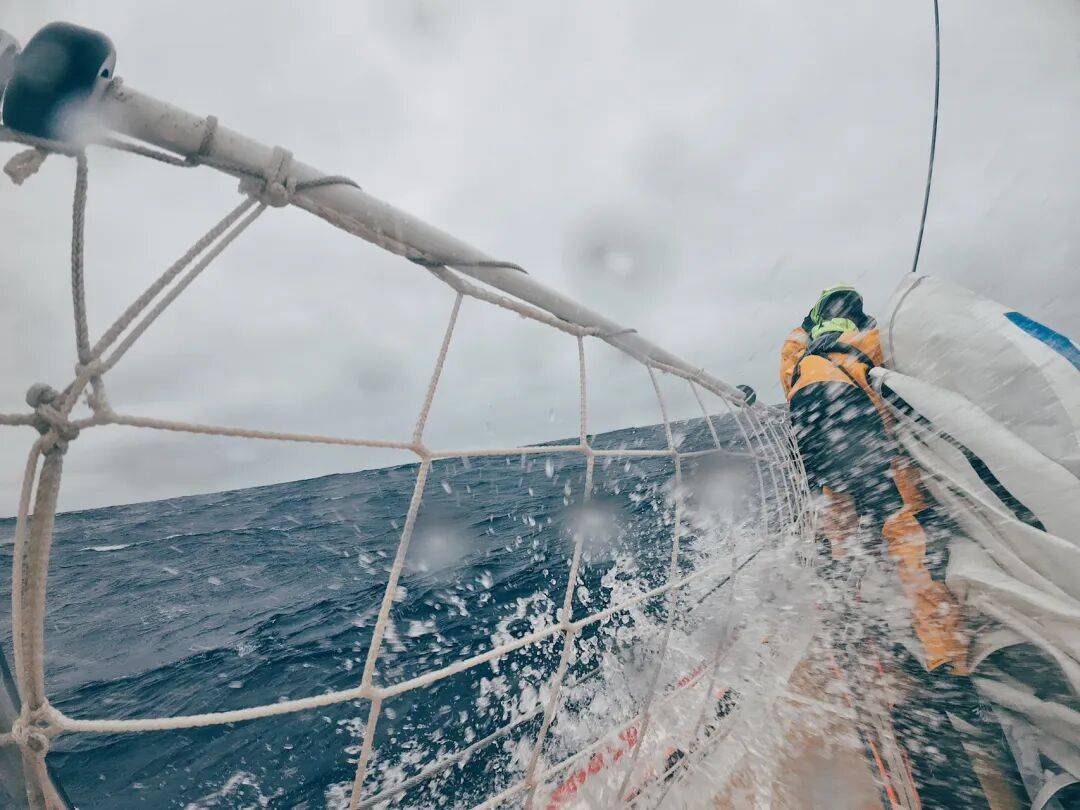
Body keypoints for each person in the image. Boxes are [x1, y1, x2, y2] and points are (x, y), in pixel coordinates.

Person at [780, 285, 1026, 808]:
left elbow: (793, 374)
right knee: (907, 539)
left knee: (852, 535)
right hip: (862, 446)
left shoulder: (802, 358)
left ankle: (864, 618)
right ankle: (948, 676)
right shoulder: (863, 346)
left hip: (823, 441)